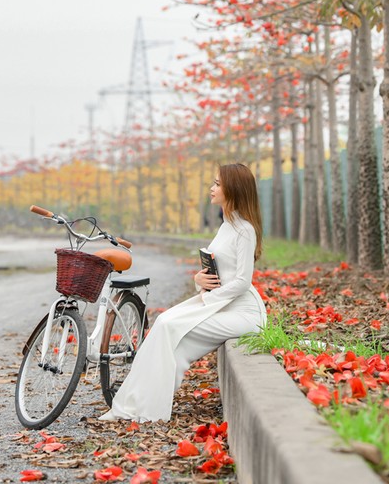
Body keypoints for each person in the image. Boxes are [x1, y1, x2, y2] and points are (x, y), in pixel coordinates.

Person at [98, 162, 266, 423]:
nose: (211, 188)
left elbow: (243, 282)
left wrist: (207, 297)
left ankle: (144, 409)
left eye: (217, 184)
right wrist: (200, 280)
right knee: (170, 340)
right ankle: (136, 406)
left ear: (233, 189)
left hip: (243, 313)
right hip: (219, 304)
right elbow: (220, 271)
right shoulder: (226, 226)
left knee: (167, 325)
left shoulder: (245, 230)